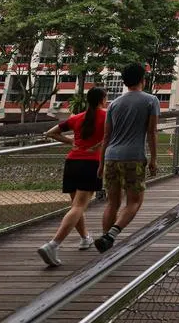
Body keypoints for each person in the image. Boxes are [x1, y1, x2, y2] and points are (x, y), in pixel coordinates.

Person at [37, 86, 107, 267]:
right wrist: (98, 146)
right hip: (91, 164)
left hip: (72, 162)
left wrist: (71, 141)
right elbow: (111, 137)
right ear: (103, 99)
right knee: (78, 206)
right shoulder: (106, 116)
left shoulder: (76, 118)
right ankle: (53, 244)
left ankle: (85, 238)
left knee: (76, 206)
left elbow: (51, 132)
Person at [94, 63, 159, 253]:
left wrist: (101, 163)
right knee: (134, 202)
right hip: (133, 157)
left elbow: (107, 136)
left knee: (112, 203)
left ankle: (106, 242)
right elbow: (152, 132)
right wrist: (153, 159)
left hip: (111, 157)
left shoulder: (114, 104)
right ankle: (111, 235)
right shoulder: (151, 100)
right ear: (142, 79)